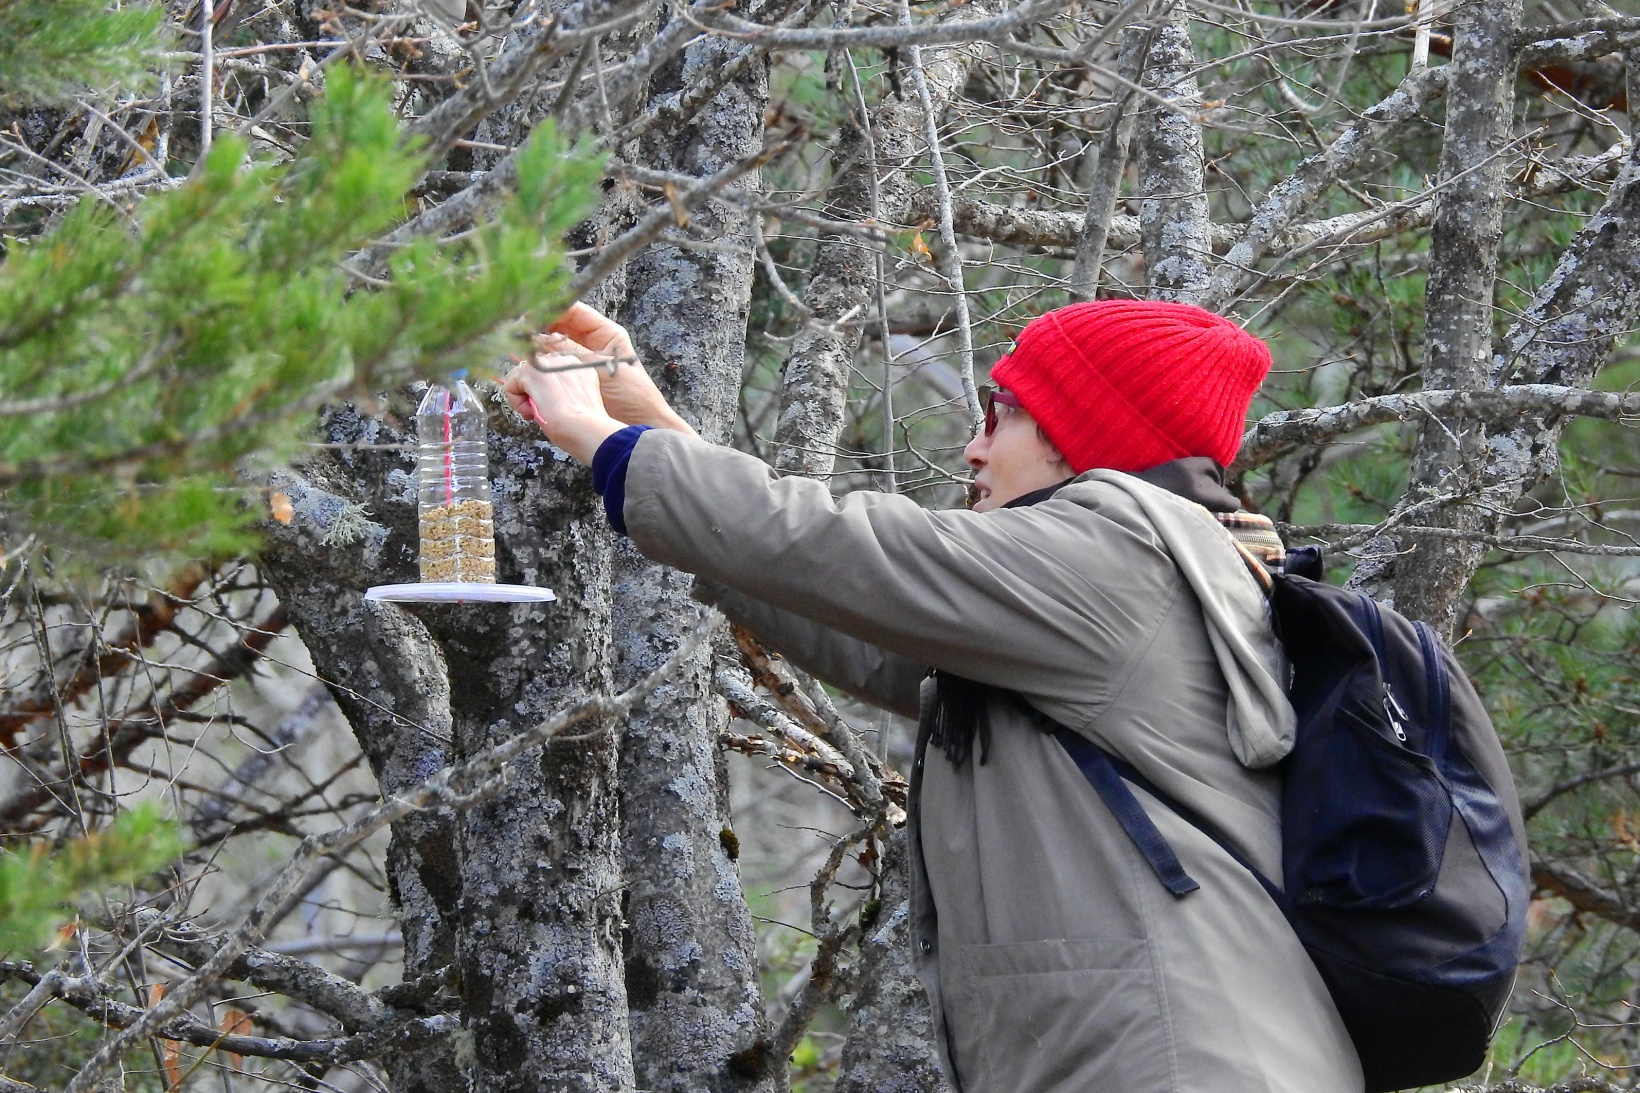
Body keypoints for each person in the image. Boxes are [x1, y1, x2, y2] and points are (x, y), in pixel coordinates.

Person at [503, 300, 1364, 1093]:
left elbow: (839, 548)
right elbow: (857, 614)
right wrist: (640, 425)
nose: (976, 447)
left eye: (1008, 414)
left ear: (1087, 435)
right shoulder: (1161, 574)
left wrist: (591, 431)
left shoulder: (1120, 556)